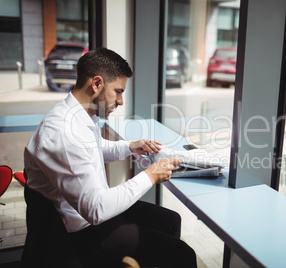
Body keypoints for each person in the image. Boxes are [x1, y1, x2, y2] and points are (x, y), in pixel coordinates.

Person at [24, 47, 197, 267]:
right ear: (96, 84)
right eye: (118, 91)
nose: (121, 101)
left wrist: (130, 146)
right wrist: (150, 176)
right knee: (183, 255)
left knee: (171, 220)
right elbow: (96, 210)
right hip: (85, 230)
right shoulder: (64, 134)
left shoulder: (79, 114)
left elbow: (94, 149)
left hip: (89, 209)